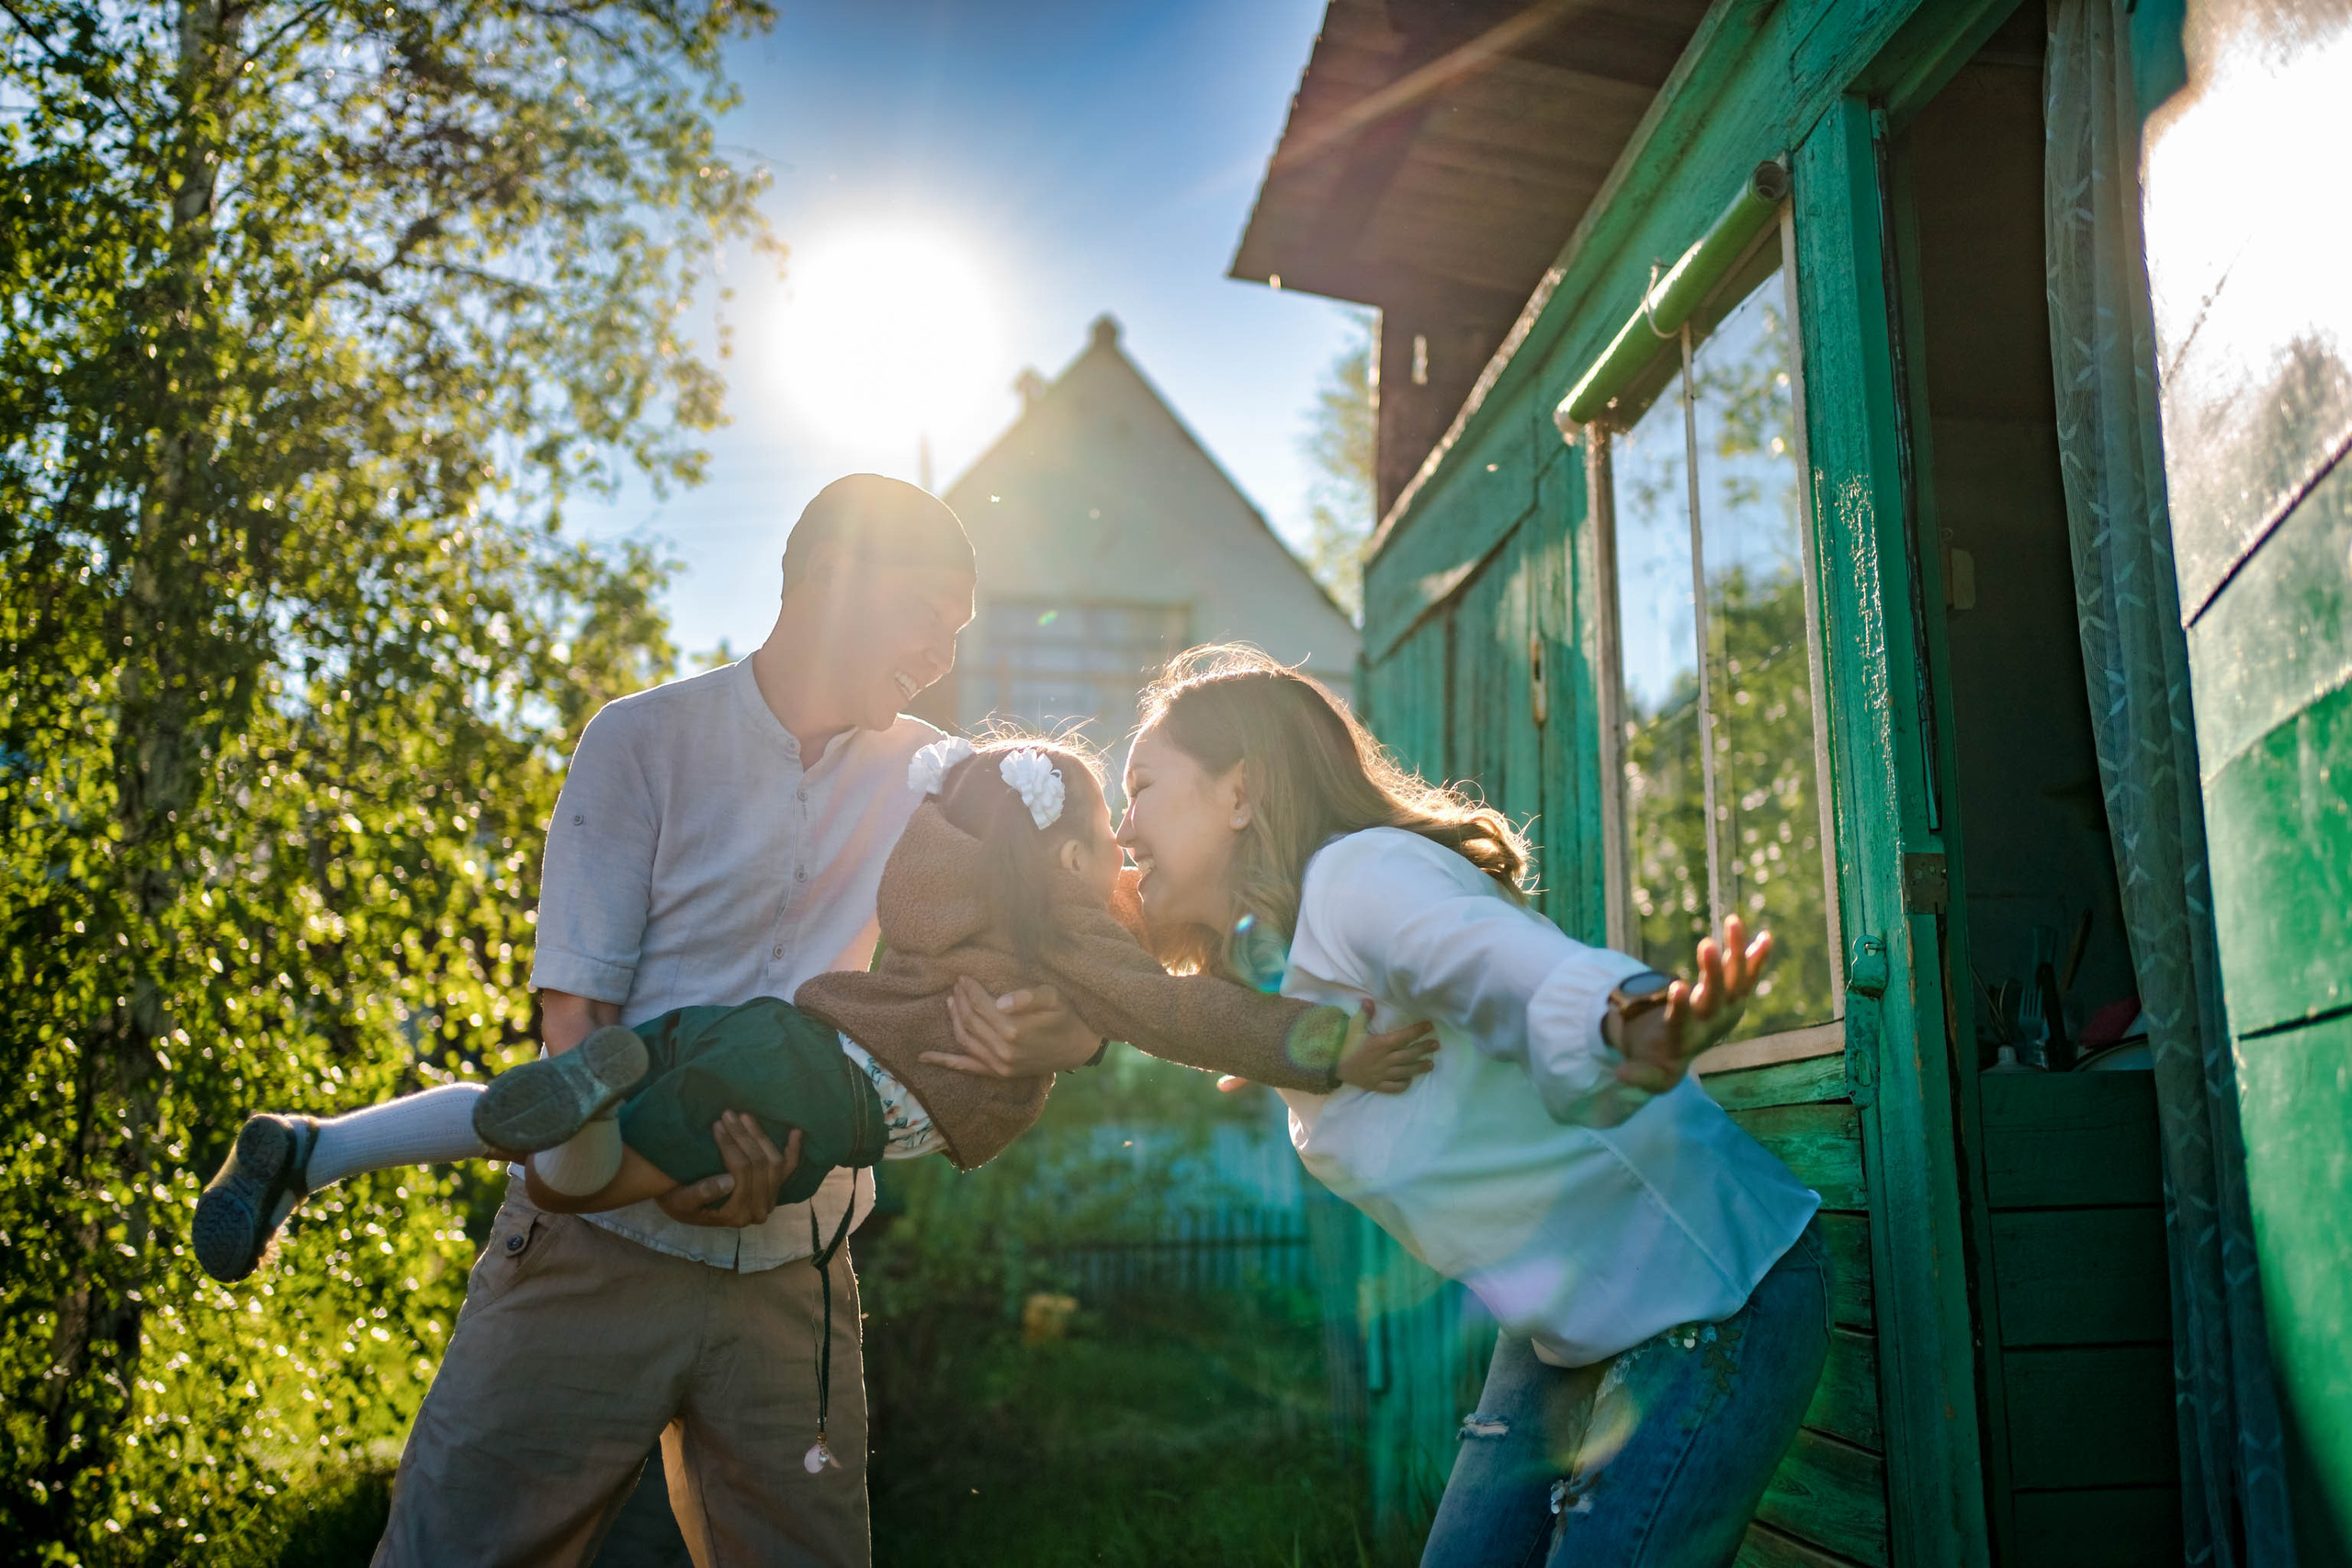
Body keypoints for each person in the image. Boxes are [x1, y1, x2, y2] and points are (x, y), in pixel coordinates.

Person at [197, 474, 1098, 1568]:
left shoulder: (937, 782)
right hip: (593, 1253)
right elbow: (574, 1020)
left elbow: (1059, 937)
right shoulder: (640, 741)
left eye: (958, 631)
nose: (942, 656)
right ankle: (311, 1151)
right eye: (926, 614)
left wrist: (1070, 1037)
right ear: (831, 577)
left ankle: (317, 1148)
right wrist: (656, 1174)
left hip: (795, 1280)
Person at [198, 738, 1432, 1472]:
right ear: (1061, 861)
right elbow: (1189, 1016)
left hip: (761, 1033)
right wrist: (1324, 1046)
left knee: (545, 1124)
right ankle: (578, 1115)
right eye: (1113, 836)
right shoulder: (1063, 929)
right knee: (572, 1174)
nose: (1126, 857)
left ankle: (314, 1144)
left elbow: (1108, 991)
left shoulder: (958, 899)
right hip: (806, 1092)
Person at [943, 643, 1829, 1568]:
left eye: (1144, 788)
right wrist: (1061, 1026)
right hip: (1569, 1323)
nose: (1123, 829)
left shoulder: (1363, 879)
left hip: (1707, 1284)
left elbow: (1503, 968)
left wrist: (1625, 1020)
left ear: (1240, 793)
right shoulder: (1275, 976)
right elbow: (1177, 1010)